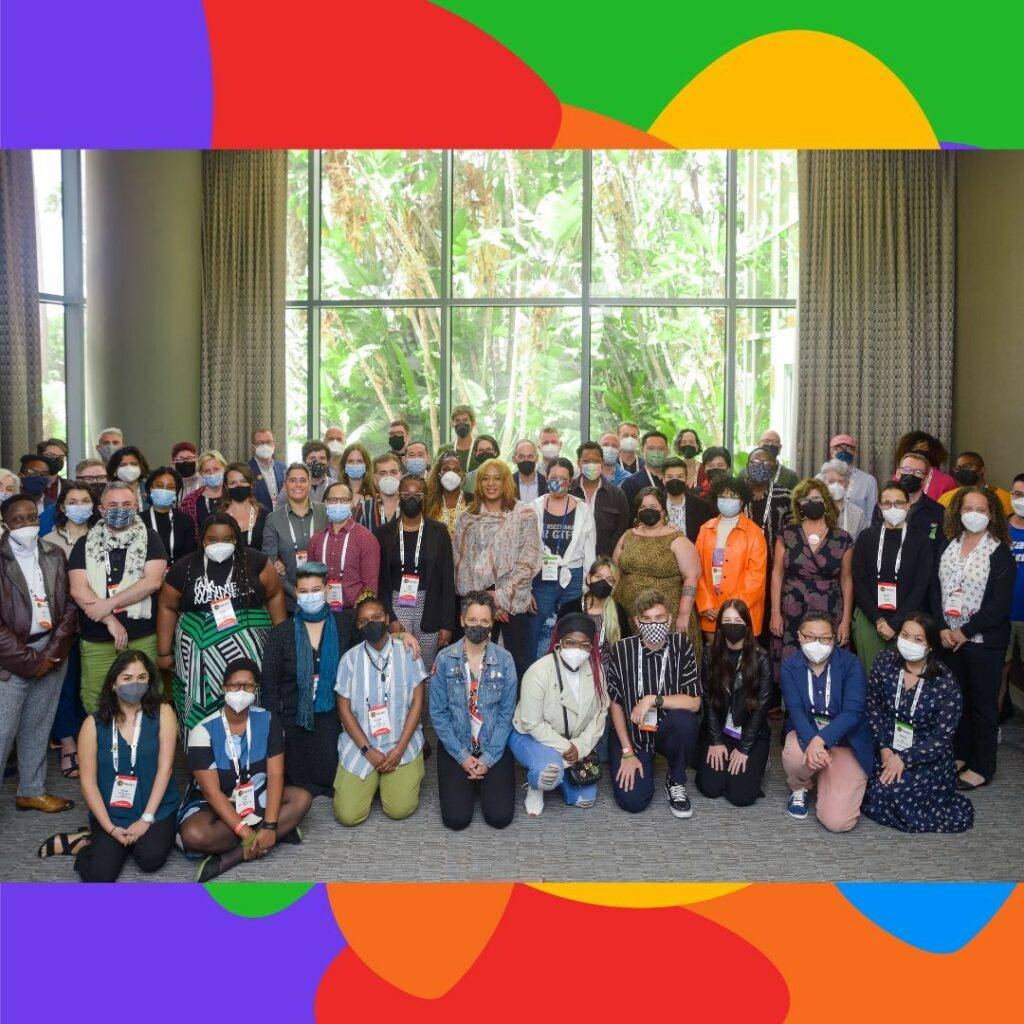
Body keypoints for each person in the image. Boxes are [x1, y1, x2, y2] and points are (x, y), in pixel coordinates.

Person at [41, 651, 179, 879]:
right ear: (113, 684)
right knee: (98, 876)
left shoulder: (163, 713)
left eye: (142, 678)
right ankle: (81, 841)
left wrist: (145, 819)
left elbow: (166, 768)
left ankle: (114, 842)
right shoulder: (92, 724)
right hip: (112, 812)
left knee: (150, 858)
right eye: (127, 678)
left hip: (155, 808)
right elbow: (87, 782)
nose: (135, 684)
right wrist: (109, 827)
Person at [178, 658, 311, 881]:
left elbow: (276, 774)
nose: (241, 691)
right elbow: (211, 793)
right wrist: (244, 831)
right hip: (215, 802)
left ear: (255, 690)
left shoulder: (269, 721)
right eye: (234, 685)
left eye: (248, 686)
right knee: (194, 834)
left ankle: (231, 857)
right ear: (224, 689)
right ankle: (280, 831)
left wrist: (269, 825)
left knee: (302, 799)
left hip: (257, 795)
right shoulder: (202, 731)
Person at [157, 512, 285, 731]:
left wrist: (282, 641)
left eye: (227, 539)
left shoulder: (256, 561)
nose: (219, 544)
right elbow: (167, 606)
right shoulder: (185, 567)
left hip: (250, 653)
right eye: (212, 540)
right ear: (202, 540)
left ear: (236, 538)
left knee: (251, 699)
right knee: (201, 708)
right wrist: (164, 651)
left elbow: (274, 594)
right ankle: (203, 752)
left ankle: (253, 750)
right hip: (198, 659)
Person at [933, 486, 1015, 789]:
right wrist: (942, 626)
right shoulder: (948, 545)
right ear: (958, 511)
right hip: (948, 640)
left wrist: (964, 632)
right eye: (968, 508)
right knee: (958, 702)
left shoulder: (1000, 553)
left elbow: (998, 604)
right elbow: (935, 589)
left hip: (982, 643)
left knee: (982, 705)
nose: (974, 515)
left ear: (991, 514)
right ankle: (961, 754)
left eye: (981, 510)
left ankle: (983, 766)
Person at [0, 494, 77, 812]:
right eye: (19, 519)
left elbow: (70, 606)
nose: (27, 524)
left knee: (38, 725)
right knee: (3, 731)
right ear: (5, 523)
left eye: (32, 517)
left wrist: (53, 653)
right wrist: (31, 661)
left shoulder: (54, 553)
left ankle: (31, 790)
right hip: (11, 658)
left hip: (51, 651)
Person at [862, 614, 974, 833]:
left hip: (924, 755)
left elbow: (941, 739)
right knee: (865, 786)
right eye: (904, 635)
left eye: (918, 639)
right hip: (885, 745)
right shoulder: (884, 662)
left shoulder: (945, 683)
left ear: (930, 646)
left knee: (893, 793)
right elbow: (872, 706)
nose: (909, 643)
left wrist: (904, 759)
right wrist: (884, 747)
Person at [68, 482, 167, 713]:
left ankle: (144, 747)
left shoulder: (150, 539)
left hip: (141, 635)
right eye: (112, 505)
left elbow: (152, 581)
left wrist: (108, 604)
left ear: (136, 506)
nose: (119, 509)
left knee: (147, 696)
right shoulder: (85, 543)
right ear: (101, 509)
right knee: (96, 699)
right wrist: (110, 621)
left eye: (126, 504)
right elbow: (78, 589)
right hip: (97, 637)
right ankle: (102, 748)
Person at [260, 563, 357, 798]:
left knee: (334, 778)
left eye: (316, 589)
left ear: (326, 590)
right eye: (304, 591)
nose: (310, 595)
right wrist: (274, 732)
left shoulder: (345, 625)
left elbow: (369, 654)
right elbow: (270, 688)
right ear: (296, 592)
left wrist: (402, 635)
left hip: (334, 718)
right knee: (296, 784)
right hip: (295, 722)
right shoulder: (281, 633)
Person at [605, 590, 702, 817]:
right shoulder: (622, 649)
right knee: (633, 801)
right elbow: (616, 704)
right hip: (632, 731)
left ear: (669, 618)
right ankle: (637, 756)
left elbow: (694, 702)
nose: (654, 624)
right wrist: (627, 752)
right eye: (646, 619)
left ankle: (676, 780)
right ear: (636, 621)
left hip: (667, 726)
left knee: (685, 721)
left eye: (659, 618)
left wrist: (653, 700)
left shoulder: (682, 645)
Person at [334, 594, 427, 826]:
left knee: (400, 809)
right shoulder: (349, 660)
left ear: (387, 619)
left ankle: (386, 779)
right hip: (362, 746)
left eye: (377, 617)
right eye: (364, 621)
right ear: (358, 626)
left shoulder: (408, 652)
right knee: (348, 815)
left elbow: (418, 703)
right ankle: (373, 779)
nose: (371, 623)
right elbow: (343, 709)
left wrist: (398, 751)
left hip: (401, 742)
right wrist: (368, 750)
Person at [429, 591, 517, 831]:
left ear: (492, 623)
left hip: (492, 745)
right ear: (461, 620)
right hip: (457, 745)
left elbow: (506, 715)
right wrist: (462, 757)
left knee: (500, 818)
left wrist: (487, 760)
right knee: (456, 821)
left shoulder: (505, 660)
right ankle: (472, 781)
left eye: (485, 622)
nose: (478, 626)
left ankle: (482, 780)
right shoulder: (444, 658)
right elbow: (438, 713)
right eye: (473, 620)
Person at [780, 612, 873, 830]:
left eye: (825, 638)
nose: (817, 644)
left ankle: (825, 778)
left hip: (845, 743)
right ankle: (800, 787)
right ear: (800, 637)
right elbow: (795, 711)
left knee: (837, 822)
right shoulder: (790, 666)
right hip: (807, 734)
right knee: (793, 754)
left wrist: (820, 742)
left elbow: (853, 711)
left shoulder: (851, 664)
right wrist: (813, 740)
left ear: (834, 638)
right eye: (810, 637)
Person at [510, 612, 608, 816]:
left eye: (584, 645)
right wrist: (566, 747)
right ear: (559, 642)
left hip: (575, 741)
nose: (577, 649)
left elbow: (600, 713)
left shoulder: (596, 670)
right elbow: (532, 723)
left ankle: (560, 779)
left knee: (584, 798)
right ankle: (536, 788)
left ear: (591, 647)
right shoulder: (538, 672)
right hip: (531, 736)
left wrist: (580, 747)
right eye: (570, 642)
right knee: (547, 772)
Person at [453, 458, 542, 681]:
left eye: (497, 478)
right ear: (478, 483)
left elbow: (528, 560)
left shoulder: (524, 514)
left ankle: (510, 715)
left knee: (514, 666)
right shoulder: (466, 519)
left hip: (513, 603)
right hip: (476, 604)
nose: (491, 483)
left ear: (506, 483)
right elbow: (461, 564)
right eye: (485, 478)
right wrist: (487, 602)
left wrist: (500, 597)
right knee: (475, 667)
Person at [695, 600, 772, 807]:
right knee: (710, 788)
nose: (732, 625)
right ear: (719, 625)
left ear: (748, 624)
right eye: (727, 620)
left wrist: (745, 748)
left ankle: (759, 761)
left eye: (737, 620)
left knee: (741, 796)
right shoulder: (710, 653)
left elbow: (761, 710)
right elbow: (708, 701)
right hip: (720, 729)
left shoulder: (761, 658)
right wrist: (716, 741)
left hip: (749, 733)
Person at [851, 482, 934, 676]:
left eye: (899, 503)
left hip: (908, 621)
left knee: (903, 676)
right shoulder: (866, 537)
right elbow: (859, 581)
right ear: (879, 507)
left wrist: (896, 622)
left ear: (908, 505)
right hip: (870, 618)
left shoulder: (920, 540)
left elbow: (921, 586)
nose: (893, 508)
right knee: (871, 676)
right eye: (887, 503)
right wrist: (878, 620)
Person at [42, 485, 96, 777]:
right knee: (64, 686)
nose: (79, 506)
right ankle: (67, 744)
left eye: (85, 500)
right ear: (61, 507)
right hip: (62, 624)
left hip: (98, 620)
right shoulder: (47, 540)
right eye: (72, 501)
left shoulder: (102, 535)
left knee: (91, 687)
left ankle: (92, 743)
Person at [375, 473, 455, 670]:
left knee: (425, 667)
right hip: (397, 605)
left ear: (425, 498)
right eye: (406, 494)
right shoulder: (383, 533)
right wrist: (389, 617)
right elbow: (380, 581)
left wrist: (447, 623)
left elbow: (447, 578)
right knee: (399, 665)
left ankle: (424, 702)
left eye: (417, 495)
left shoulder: (439, 531)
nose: (411, 499)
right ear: (399, 496)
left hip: (430, 606)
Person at [770, 478, 854, 663]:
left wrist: (846, 620)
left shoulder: (843, 538)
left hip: (830, 609)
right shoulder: (787, 534)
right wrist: (775, 612)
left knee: (828, 662)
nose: (811, 503)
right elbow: (777, 574)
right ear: (799, 505)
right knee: (792, 662)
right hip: (792, 609)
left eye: (816, 498)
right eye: (805, 500)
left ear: (826, 502)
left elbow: (846, 580)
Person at [612, 488, 702, 655]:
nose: (648, 510)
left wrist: (683, 615)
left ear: (663, 510)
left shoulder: (677, 539)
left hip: (667, 618)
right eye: (643, 507)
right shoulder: (628, 536)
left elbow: (691, 577)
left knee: (669, 665)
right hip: (630, 616)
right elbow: (615, 571)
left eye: (653, 506)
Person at [529, 457, 597, 659]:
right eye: (553, 477)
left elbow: (589, 551)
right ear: (546, 478)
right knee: (536, 631)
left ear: (571, 480)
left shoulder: (583, 509)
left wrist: (588, 587)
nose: (558, 482)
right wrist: (527, 587)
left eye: (563, 478)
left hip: (573, 578)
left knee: (570, 630)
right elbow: (527, 549)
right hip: (541, 577)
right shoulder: (534, 507)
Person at [695, 475, 768, 644]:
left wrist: (731, 609)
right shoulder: (705, 529)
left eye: (734, 496)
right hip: (710, 613)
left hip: (743, 615)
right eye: (723, 496)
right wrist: (705, 604)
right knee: (714, 663)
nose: (728, 500)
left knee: (743, 665)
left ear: (743, 500)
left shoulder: (755, 533)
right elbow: (696, 570)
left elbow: (755, 577)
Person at [263, 462, 328, 613]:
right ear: (285, 485)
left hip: (325, 595)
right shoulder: (273, 519)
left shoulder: (325, 512)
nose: (297, 484)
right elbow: (271, 561)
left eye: (303, 480)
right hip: (290, 602)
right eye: (292, 480)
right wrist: (294, 592)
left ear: (309, 483)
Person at [308, 480, 378, 612]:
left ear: (351, 503)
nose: (338, 504)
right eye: (333, 500)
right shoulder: (316, 541)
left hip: (354, 613)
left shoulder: (366, 539)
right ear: (326, 504)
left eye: (343, 500)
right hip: (322, 611)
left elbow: (371, 587)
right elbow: (310, 581)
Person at [872, 449, 945, 547]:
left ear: (926, 479)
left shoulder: (937, 511)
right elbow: (874, 540)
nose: (911, 475)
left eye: (918, 472)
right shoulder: (882, 506)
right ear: (898, 473)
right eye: (906, 470)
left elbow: (937, 548)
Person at [571, 441, 630, 557]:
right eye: (586, 461)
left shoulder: (617, 495)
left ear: (602, 463)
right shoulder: (569, 492)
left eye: (596, 461)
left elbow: (622, 532)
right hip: (573, 561)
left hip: (604, 562)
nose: (591, 464)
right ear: (579, 463)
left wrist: (606, 559)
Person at [143, 466, 197, 566]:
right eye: (159, 486)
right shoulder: (138, 520)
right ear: (150, 488)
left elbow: (189, 556)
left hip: (177, 574)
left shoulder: (186, 520)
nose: (164, 491)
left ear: (176, 492)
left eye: (170, 487)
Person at [938, 450, 1014, 515]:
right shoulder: (946, 498)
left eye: (967, 466)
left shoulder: (1005, 498)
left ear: (982, 470)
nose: (962, 471)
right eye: (958, 468)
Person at [1004, 474, 1024, 720]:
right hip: (1002, 616)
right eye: (1017, 494)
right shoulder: (1000, 529)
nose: (1020, 500)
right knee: (1001, 671)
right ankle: (996, 725)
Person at [819, 434, 877, 517]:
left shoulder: (868, 481)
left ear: (854, 452)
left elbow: (871, 516)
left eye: (848, 448)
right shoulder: (820, 478)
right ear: (831, 452)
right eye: (838, 448)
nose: (844, 452)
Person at [661, 456, 714, 543]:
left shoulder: (702, 506)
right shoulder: (657, 503)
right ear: (663, 479)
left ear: (686, 479)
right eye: (670, 477)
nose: (675, 480)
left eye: (680, 476)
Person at [893, 430, 956, 501]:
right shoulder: (898, 477)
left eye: (923, 447)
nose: (918, 451)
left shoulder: (946, 482)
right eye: (914, 448)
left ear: (933, 452)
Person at [219, 462, 267, 550]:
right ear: (226, 487)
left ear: (251, 485)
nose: (238, 486)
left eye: (243, 481)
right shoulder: (217, 516)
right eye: (233, 483)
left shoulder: (265, 516)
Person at [179, 449, 228, 535]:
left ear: (224, 468)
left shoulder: (234, 494)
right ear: (201, 474)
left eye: (216, 469)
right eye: (207, 471)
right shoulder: (190, 501)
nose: (212, 474)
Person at [425, 450, 471, 538]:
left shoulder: (473, 500)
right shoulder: (428, 502)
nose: (451, 474)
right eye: (446, 469)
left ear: (462, 473)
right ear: (438, 473)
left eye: (456, 470)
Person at [620, 430, 669, 506]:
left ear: (667, 451)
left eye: (660, 449)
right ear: (642, 450)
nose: (656, 452)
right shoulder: (631, 484)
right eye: (651, 448)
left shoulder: (674, 479)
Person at [821, 459, 867, 540]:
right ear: (823, 483)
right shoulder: (816, 510)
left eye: (841, 481)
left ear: (848, 484)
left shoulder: (858, 514)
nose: (836, 485)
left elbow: (862, 546)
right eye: (831, 481)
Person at [19, 453, 58, 536]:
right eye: (32, 473)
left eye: (44, 474)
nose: (38, 478)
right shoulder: (9, 505)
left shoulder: (55, 507)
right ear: (20, 476)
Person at [249, 427, 287, 511]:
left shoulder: (283, 468)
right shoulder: (246, 469)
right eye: (260, 443)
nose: (265, 446)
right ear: (253, 447)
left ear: (274, 445)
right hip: (258, 518)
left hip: (280, 517)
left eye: (269, 442)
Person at [340, 442, 377, 525]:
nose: (355, 465)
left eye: (360, 461)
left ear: (366, 465)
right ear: (344, 466)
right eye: (350, 461)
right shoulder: (336, 492)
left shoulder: (375, 493)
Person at [367, 452, 402, 530]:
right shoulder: (365, 508)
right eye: (383, 473)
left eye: (393, 472)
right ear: (375, 479)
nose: (389, 477)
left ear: (400, 475)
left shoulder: (412, 505)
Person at [673, 427, 710, 498]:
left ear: (697, 446)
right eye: (684, 442)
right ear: (679, 446)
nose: (688, 445)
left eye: (691, 442)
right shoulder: (674, 470)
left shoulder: (705, 470)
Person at [449, 405, 476, 470]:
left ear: (472, 423)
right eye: (457, 421)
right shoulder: (444, 450)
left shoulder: (480, 450)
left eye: (465, 420)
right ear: (453, 424)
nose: (461, 423)